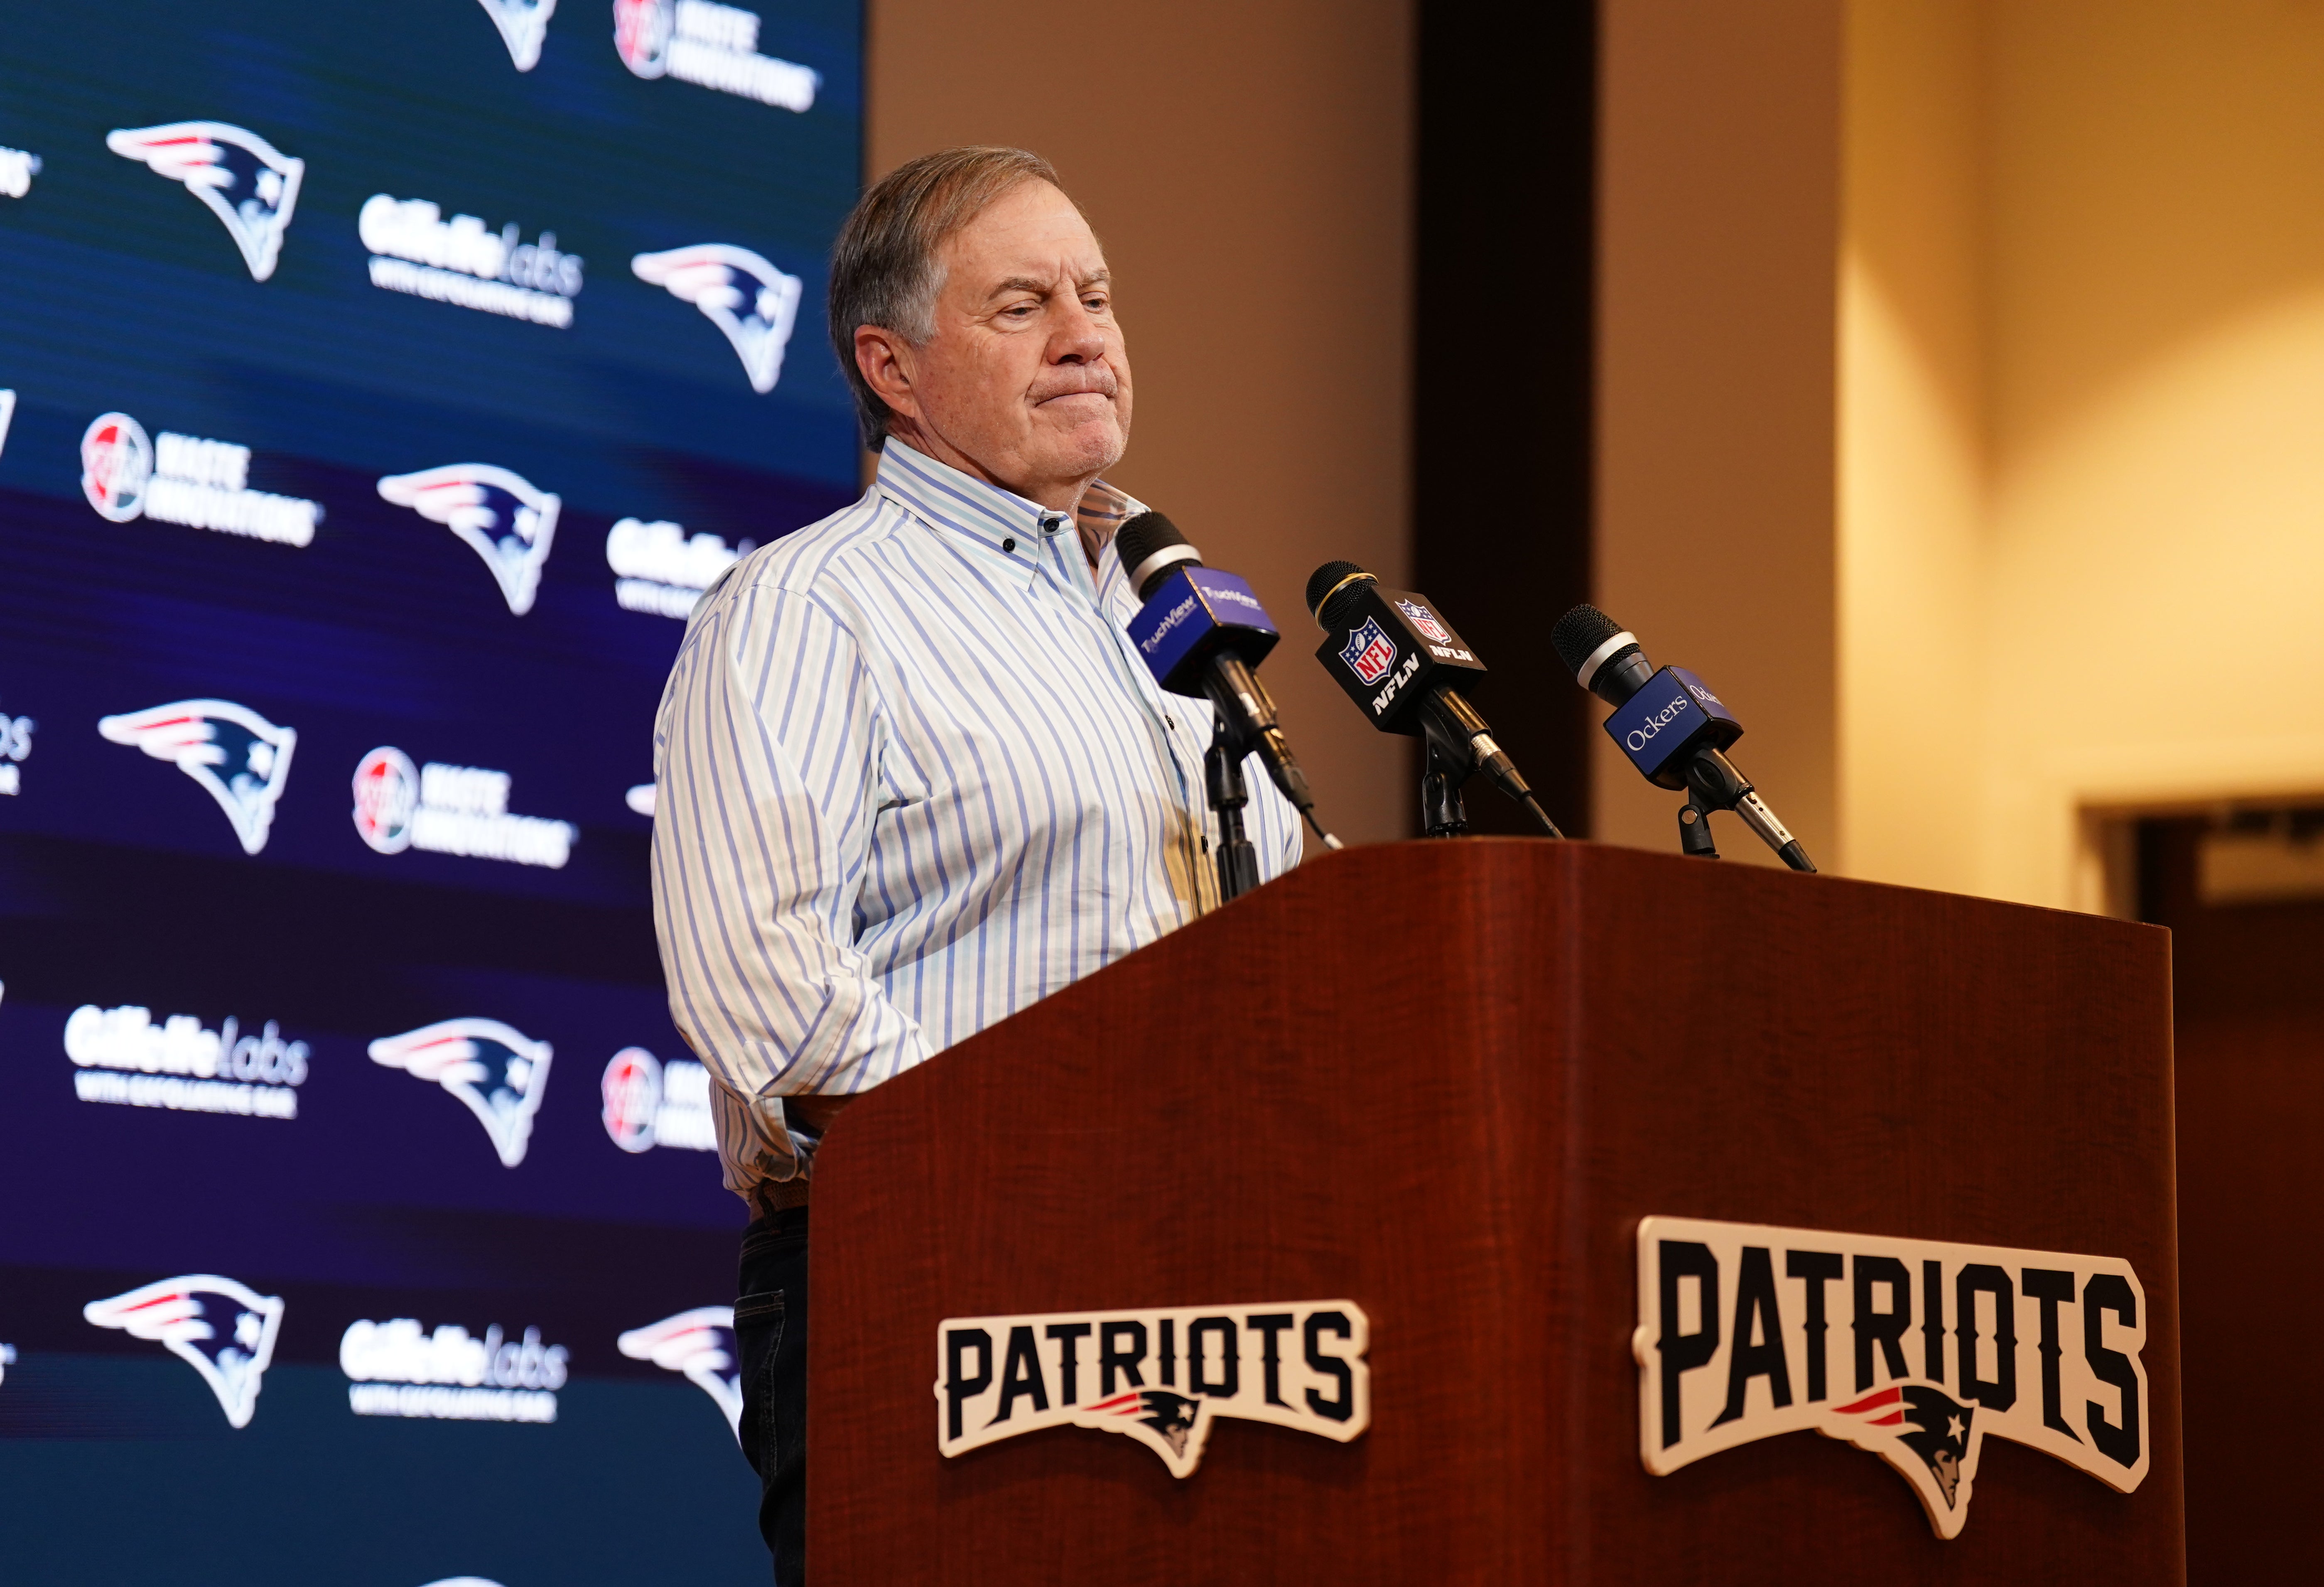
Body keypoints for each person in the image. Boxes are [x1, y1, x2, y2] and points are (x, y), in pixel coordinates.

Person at [648, 145, 1303, 1582]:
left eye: (1098, 296)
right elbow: (768, 986)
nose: (1085, 334)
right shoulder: (807, 609)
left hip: (1222, 1297)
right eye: (1021, 307)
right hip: (929, 1279)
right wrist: (1051, 1162)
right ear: (892, 366)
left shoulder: (1179, 613)